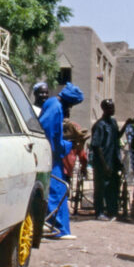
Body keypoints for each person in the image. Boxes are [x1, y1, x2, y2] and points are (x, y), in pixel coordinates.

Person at [39, 82, 84, 239]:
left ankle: (59, 228)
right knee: (55, 191)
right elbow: (49, 136)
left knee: (59, 190)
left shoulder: (53, 104)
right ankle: (55, 228)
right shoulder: (55, 107)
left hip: (53, 156)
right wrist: (68, 145)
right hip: (51, 157)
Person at [90, 99, 121, 220]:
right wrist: (104, 165)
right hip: (102, 163)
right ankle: (99, 212)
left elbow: (117, 136)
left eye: (113, 107)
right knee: (100, 187)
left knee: (113, 187)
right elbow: (96, 146)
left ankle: (112, 211)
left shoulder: (113, 122)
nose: (112, 109)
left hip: (113, 161)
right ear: (104, 109)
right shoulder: (99, 125)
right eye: (109, 108)